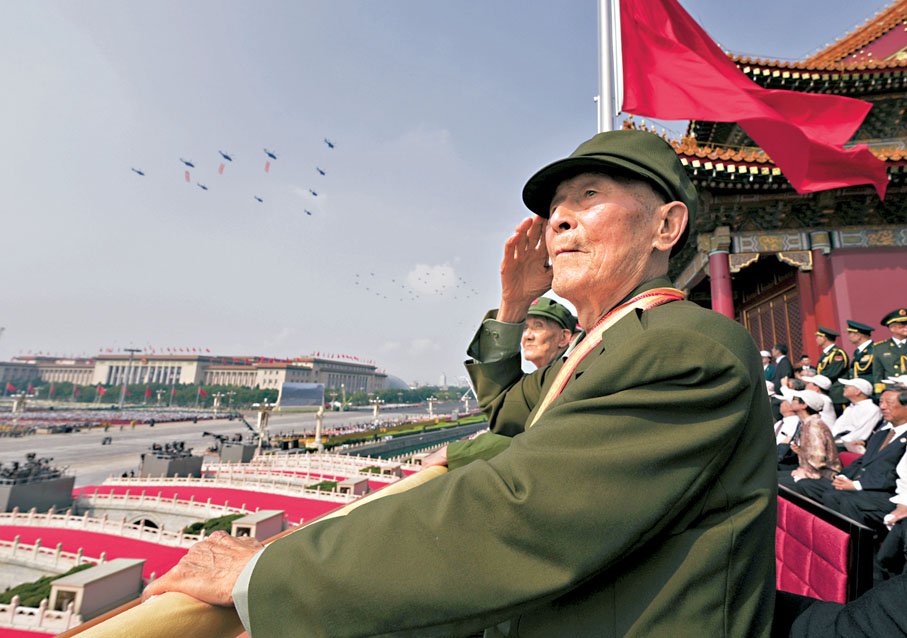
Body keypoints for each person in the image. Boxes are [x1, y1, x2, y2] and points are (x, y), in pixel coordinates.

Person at [143, 129, 777, 637]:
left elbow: (517, 511)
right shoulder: (605, 344)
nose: (558, 220)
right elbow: (507, 411)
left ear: (665, 228)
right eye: (556, 209)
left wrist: (266, 572)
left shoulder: (682, 346)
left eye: (588, 197)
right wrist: (513, 304)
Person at [787, 386, 907, 530]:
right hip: (858, 481)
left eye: (889, 403)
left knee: (838, 497)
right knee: (806, 485)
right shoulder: (882, 434)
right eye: (881, 402)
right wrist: (841, 477)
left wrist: (857, 485)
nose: (882, 407)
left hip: (882, 491)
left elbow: (896, 475)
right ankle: (812, 531)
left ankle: (847, 543)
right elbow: (862, 461)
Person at [778, 389, 842, 489]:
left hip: (820, 476)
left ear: (804, 405)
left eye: (795, 399)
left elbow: (818, 459)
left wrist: (803, 472)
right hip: (808, 471)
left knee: (773, 483)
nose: (792, 401)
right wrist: (800, 451)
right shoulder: (807, 423)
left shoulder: (815, 426)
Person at [520, 296, 578, 368]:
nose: (527, 336)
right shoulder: (536, 378)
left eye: (538, 326)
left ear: (563, 337)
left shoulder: (575, 373)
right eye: (524, 328)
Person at [831, 378, 882, 450]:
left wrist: (837, 441)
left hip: (850, 445)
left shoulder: (872, 409)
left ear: (858, 391)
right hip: (838, 440)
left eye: (847, 387)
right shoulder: (850, 408)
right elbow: (838, 426)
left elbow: (861, 433)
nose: (844, 388)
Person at [872, 308, 907, 397]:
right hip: (892, 391)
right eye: (902, 325)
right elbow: (878, 373)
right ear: (892, 328)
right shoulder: (880, 348)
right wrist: (879, 394)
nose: (906, 327)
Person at [816, 326, 850, 416]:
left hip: (838, 395)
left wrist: (814, 379)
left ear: (824, 338)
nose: (816, 339)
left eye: (818, 337)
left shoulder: (838, 353)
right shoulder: (826, 354)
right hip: (829, 393)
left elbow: (832, 373)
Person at [846, 319, 875, 385]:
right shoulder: (858, 351)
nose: (849, 336)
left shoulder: (874, 349)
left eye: (850, 333)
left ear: (858, 335)